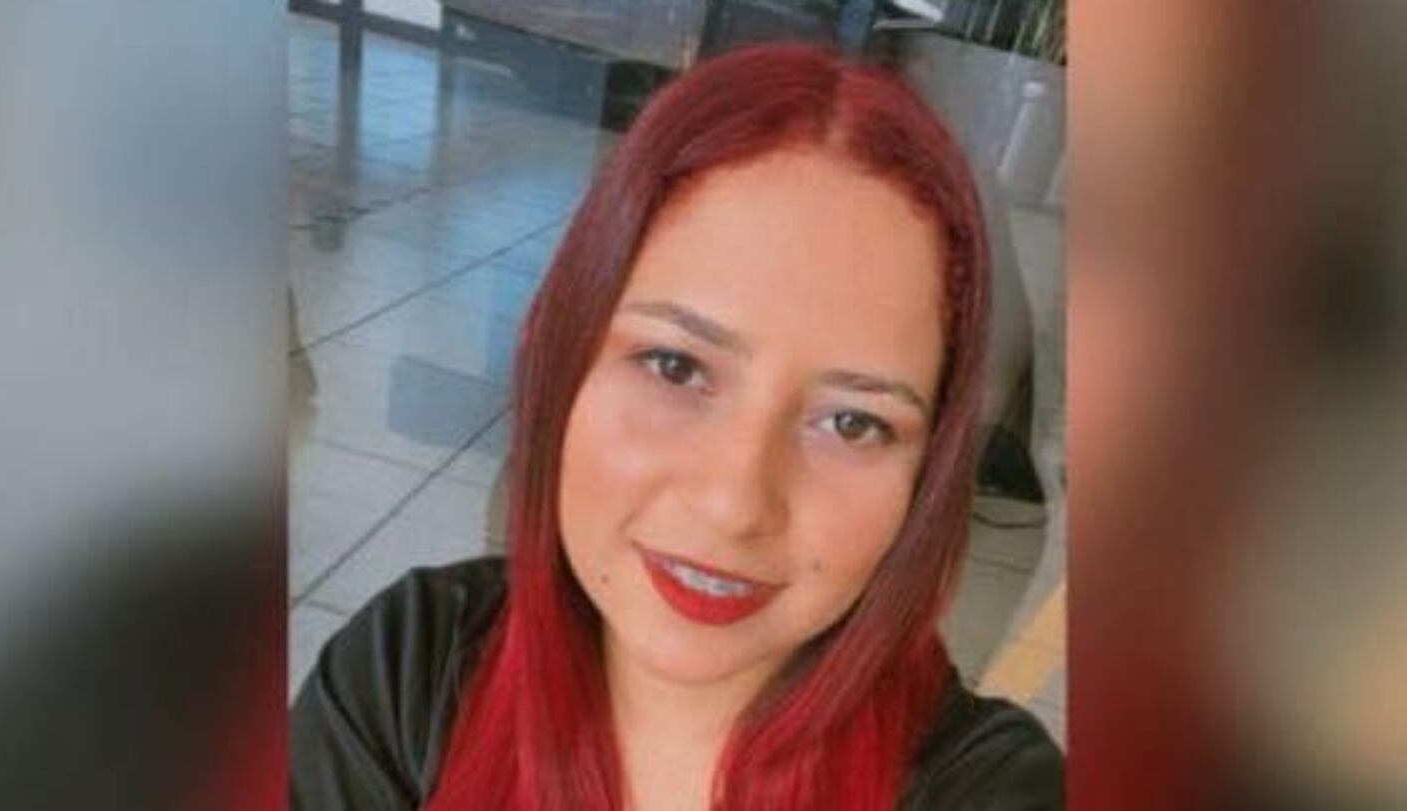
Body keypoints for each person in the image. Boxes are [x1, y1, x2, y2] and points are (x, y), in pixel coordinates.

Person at [291, 42, 1063, 811]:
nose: (733, 503)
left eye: (853, 422)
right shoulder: (411, 673)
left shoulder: (990, 790)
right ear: (566, 355)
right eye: (675, 366)